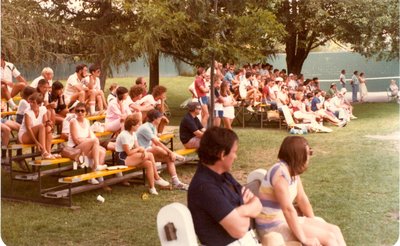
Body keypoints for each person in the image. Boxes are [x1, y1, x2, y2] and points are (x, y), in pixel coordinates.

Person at [256, 136, 346, 246]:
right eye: (309, 152)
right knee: (329, 239)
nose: (309, 156)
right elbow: (288, 209)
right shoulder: (280, 173)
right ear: (298, 155)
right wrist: (304, 239)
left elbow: (302, 199)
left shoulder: (292, 172)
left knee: (335, 230)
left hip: (285, 220)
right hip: (272, 226)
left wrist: (313, 221)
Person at [188, 127, 262, 245]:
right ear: (222, 154)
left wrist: (240, 210)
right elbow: (240, 230)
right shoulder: (205, 188)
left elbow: (257, 204)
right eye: (234, 152)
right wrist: (247, 207)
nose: (236, 157)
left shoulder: (224, 175)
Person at [115, 113, 170, 194]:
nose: (139, 126)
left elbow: (138, 147)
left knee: (148, 164)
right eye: (137, 125)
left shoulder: (133, 134)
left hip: (130, 156)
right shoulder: (124, 135)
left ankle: (152, 188)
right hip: (122, 157)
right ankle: (157, 178)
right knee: (150, 155)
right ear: (132, 126)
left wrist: (143, 150)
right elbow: (129, 152)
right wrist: (140, 149)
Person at [136, 109, 188, 190]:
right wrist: (170, 152)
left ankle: (176, 182)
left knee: (169, 158)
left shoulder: (153, 126)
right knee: (159, 149)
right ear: (155, 119)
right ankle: (174, 154)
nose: (161, 119)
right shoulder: (145, 128)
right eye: (160, 118)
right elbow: (157, 143)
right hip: (141, 152)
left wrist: (169, 153)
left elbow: (156, 141)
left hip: (149, 150)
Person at [67, 102, 107, 184]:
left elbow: (89, 137)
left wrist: (84, 139)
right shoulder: (73, 121)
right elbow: (76, 140)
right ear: (75, 112)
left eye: (82, 111)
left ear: (86, 113)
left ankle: (92, 176)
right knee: (95, 141)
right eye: (77, 111)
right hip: (75, 149)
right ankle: (97, 166)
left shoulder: (86, 121)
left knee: (102, 151)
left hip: (85, 146)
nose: (80, 113)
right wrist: (87, 140)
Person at [18, 93, 58, 159]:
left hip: (37, 134)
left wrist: (50, 124)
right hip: (25, 136)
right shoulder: (27, 112)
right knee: (41, 126)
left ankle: (49, 152)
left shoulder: (42, 109)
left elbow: (46, 123)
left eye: (33, 102)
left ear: (39, 104)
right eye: (31, 102)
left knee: (47, 127)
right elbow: (29, 129)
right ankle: (44, 152)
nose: (31, 104)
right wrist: (36, 143)